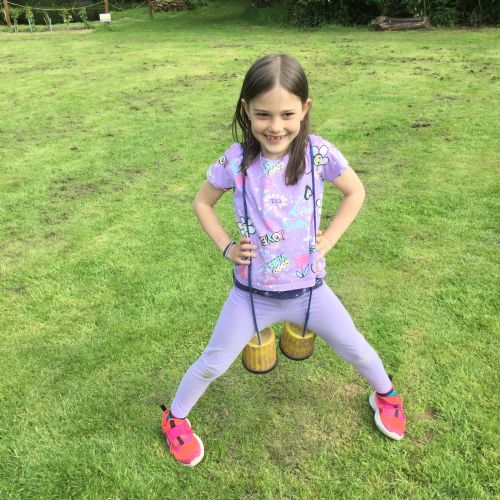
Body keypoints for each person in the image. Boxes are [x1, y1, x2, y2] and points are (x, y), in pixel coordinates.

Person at [161, 54, 406, 467]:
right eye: (263, 114)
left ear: (305, 109)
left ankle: (386, 395)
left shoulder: (318, 154)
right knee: (212, 363)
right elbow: (202, 202)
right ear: (246, 110)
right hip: (250, 296)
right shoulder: (235, 160)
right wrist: (227, 246)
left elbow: (356, 192)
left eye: (287, 114)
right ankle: (175, 418)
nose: (275, 126)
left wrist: (330, 237)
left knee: (357, 349)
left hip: (310, 293)